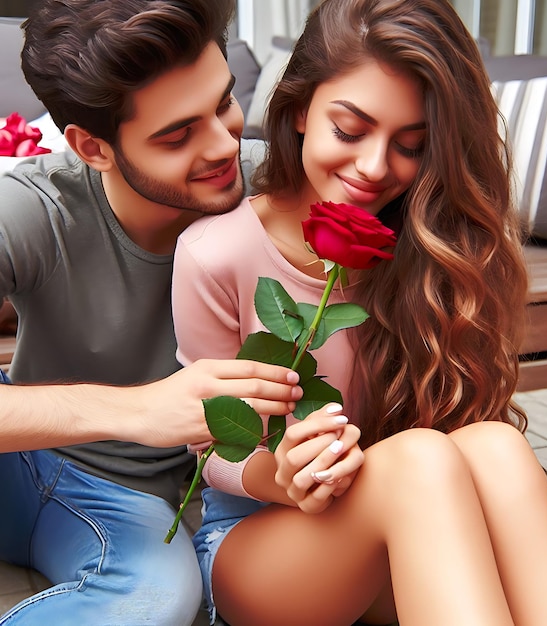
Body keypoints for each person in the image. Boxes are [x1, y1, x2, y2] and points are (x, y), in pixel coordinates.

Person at [171, 0, 547, 624]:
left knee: (496, 447)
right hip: (265, 547)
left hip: (405, 521)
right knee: (420, 459)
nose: (374, 168)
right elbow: (209, 447)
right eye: (349, 131)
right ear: (297, 111)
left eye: (411, 146)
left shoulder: (427, 250)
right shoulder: (217, 252)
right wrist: (286, 475)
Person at [0, 0, 303, 624]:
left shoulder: (266, 186)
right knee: (156, 597)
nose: (225, 146)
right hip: (66, 462)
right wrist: (140, 408)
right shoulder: (33, 210)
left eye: (223, 103)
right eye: (176, 134)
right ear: (94, 147)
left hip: (219, 480)